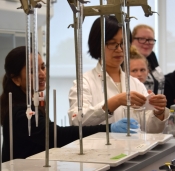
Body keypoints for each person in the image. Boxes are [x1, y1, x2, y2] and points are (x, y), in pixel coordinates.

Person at [0, 46, 139, 163]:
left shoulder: (34, 101)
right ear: (16, 79)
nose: (42, 74)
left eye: (43, 67)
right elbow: (56, 136)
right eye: (33, 71)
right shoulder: (20, 112)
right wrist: (109, 128)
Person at [68, 15, 169, 132]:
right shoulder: (84, 83)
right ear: (97, 44)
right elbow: (76, 122)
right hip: (99, 149)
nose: (119, 49)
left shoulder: (135, 83)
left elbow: (149, 129)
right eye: (112, 43)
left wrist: (158, 112)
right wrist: (115, 101)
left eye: (123, 43)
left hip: (133, 148)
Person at [132, 24, 165, 94]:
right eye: (141, 39)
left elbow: (159, 79)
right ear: (131, 40)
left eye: (150, 39)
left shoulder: (151, 56)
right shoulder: (125, 59)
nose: (147, 42)